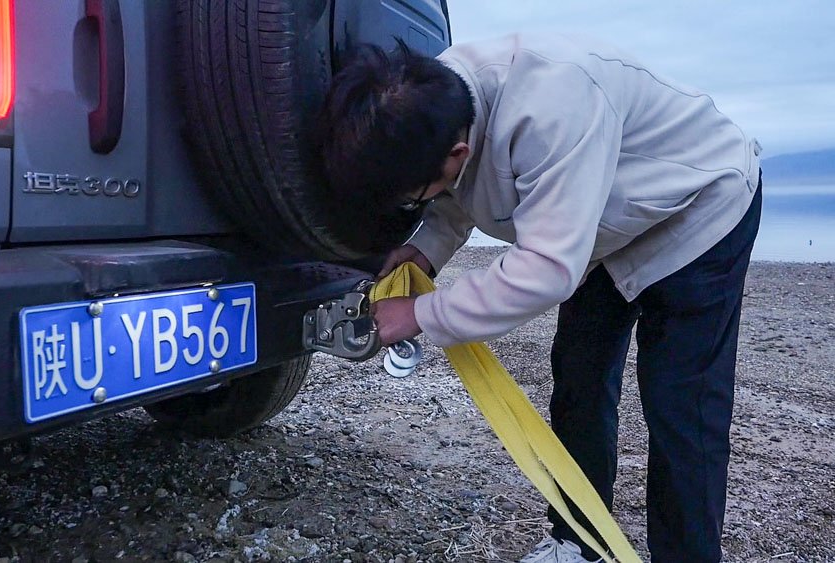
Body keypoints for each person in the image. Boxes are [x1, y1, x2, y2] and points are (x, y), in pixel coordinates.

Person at [316, 34, 762, 563]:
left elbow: (547, 270)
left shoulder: (552, 108)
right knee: (579, 379)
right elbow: (460, 186)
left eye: (413, 196)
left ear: (454, 152)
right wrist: (425, 249)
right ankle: (579, 541)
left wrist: (419, 313)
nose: (418, 202)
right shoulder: (426, 103)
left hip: (698, 205)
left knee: (681, 403)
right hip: (596, 227)